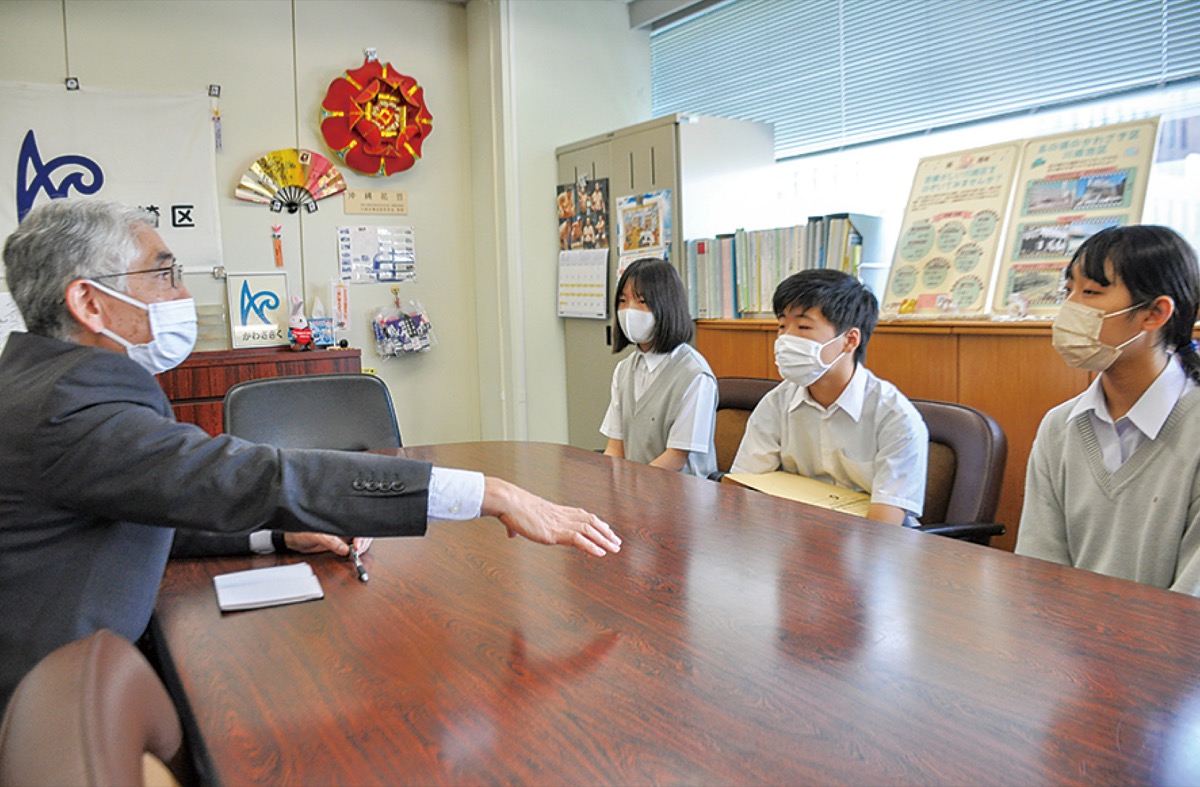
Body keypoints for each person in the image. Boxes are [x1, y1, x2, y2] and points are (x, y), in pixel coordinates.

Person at [0, 199, 621, 712]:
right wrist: (491, 493)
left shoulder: (45, 384)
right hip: (55, 709)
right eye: (163, 275)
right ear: (89, 303)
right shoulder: (70, 410)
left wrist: (277, 537)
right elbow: (253, 477)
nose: (182, 291)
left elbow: (144, 504)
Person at [1016, 225, 1200, 595]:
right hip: (1065, 629)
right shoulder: (1060, 426)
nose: (1069, 309)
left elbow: (1191, 598)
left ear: (1155, 313)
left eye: (1090, 293)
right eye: (1068, 291)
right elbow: (1039, 573)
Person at [731, 269, 927, 525]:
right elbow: (743, 488)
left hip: (870, 541)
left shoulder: (895, 417)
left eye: (803, 326)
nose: (786, 339)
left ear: (850, 340)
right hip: (792, 533)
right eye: (782, 326)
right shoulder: (777, 402)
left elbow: (884, 525)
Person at [600, 257, 718, 478]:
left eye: (641, 301)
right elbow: (615, 447)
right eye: (623, 301)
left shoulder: (695, 375)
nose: (629, 310)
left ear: (667, 305)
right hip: (636, 488)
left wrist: (631, 486)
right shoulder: (623, 370)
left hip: (681, 493)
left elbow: (676, 458)